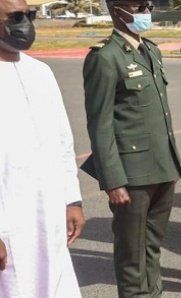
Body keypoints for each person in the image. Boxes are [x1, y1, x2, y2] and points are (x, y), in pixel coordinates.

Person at [81, 0, 181, 296]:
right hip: (132, 176)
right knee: (131, 255)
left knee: (151, 247)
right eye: (138, 6)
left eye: (148, 5)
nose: (145, 12)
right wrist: (112, 180)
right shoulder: (105, 57)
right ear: (116, 10)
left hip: (163, 167)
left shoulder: (149, 50)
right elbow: (100, 125)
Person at [0, 0, 85, 296]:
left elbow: (63, 142)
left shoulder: (41, 73)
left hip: (48, 215)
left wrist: (72, 199)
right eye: (15, 16)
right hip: (8, 223)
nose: (25, 23)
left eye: (30, 15)